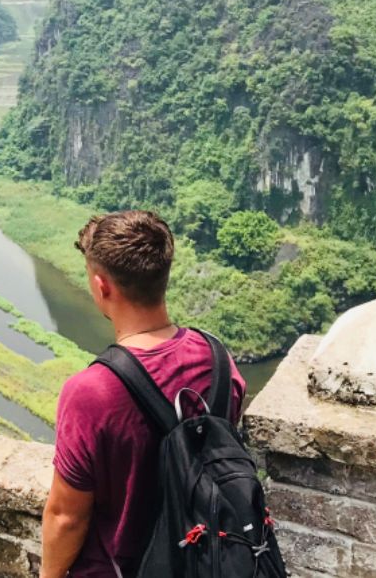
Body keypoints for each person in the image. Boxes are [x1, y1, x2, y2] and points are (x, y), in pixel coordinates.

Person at [40, 211, 246, 578]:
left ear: (102, 286)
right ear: (164, 278)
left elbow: (66, 517)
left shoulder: (90, 392)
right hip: (207, 563)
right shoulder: (219, 361)